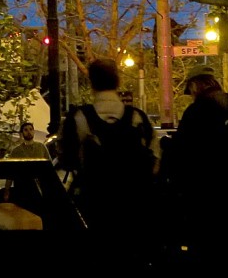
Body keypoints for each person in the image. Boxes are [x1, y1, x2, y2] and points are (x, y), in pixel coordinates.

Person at [158, 64, 228, 273]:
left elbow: (182, 153)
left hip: (206, 200)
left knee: (207, 256)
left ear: (195, 86)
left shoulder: (197, 111)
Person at [57, 57, 158, 261]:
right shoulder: (138, 119)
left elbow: (66, 159)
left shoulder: (79, 119)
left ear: (92, 82)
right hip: (135, 213)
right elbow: (155, 163)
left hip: (95, 210)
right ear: (118, 81)